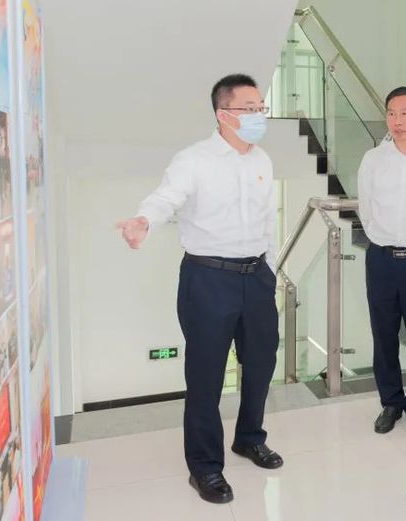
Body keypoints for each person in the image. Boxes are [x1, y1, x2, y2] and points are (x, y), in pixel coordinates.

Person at [116, 74, 283, 505]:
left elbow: (268, 220)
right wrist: (142, 221)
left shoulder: (263, 161)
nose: (258, 116)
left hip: (256, 276)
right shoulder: (194, 160)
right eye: (249, 109)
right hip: (208, 279)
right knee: (206, 375)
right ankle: (205, 467)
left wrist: (271, 268)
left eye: (260, 108)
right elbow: (165, 198)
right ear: (223, 115)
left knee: (261, 363)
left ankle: (249, 437)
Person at [357, 86, 406, 437]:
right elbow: (366, 209)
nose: (397, 120)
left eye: (404, 113)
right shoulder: (373, 159)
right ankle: (390, 401)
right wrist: (382, 239)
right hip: (382, 259)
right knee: (383, 333)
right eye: (391, 113)